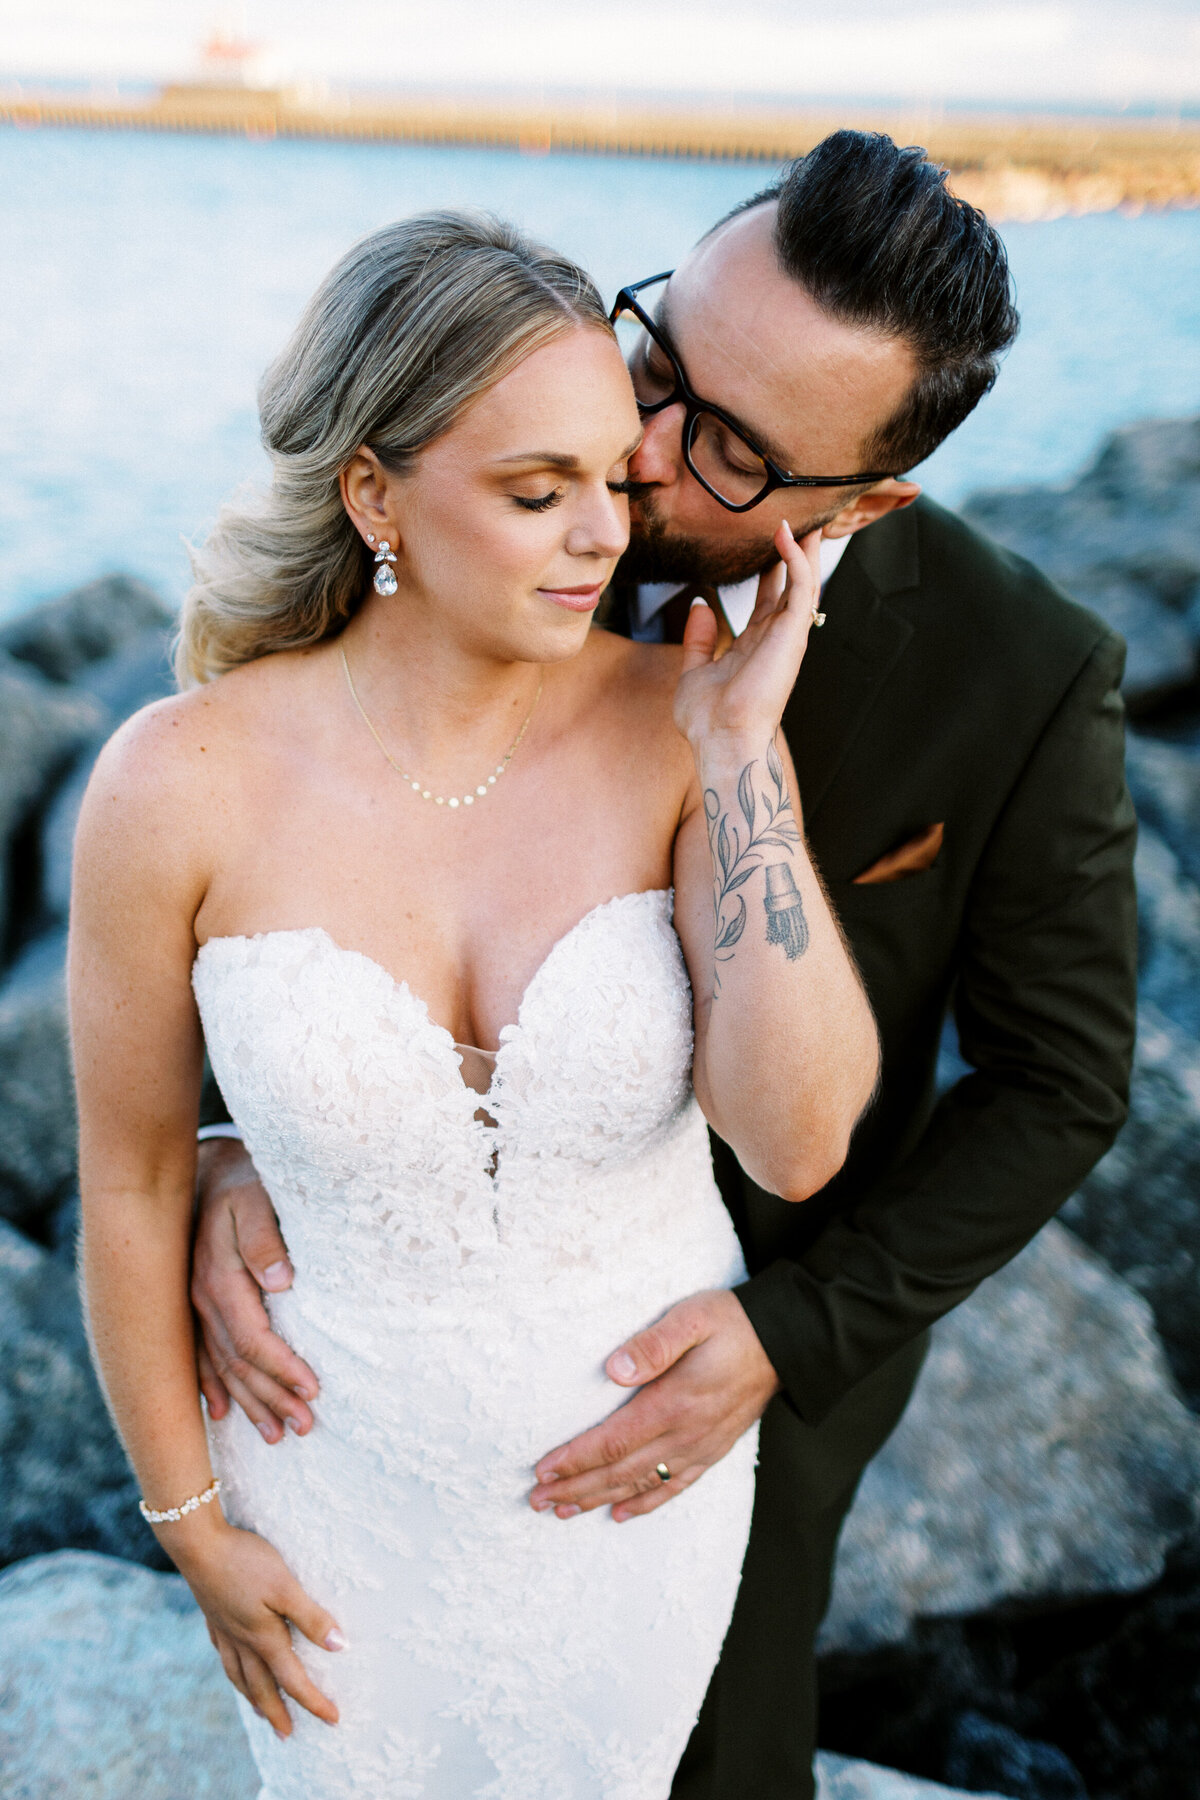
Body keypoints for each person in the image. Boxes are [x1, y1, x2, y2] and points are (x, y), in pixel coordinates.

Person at [192, 134, 1139, 1797]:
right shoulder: (465, 478)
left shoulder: (1024, 676)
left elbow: (1062, 1082)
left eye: (729, 449)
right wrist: (227, 1140)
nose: (630, 451)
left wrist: (798, 1331)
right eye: (659, 355)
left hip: (728, 1360)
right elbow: (256, 810)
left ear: (864, 504)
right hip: (374, 1331)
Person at [69, 211, 879, 1800]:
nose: (603, 539)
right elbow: (134, 1179)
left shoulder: (682, 724)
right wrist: (192, 1532)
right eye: (536, 492)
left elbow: (794, 1146)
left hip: (633, 1503)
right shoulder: (180, 782)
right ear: (375, 491)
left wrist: (741, 761)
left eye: (611, 482)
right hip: (325, 1498)